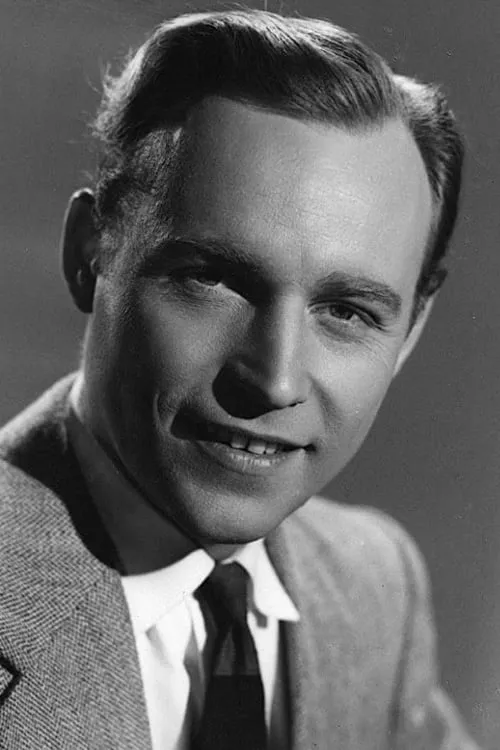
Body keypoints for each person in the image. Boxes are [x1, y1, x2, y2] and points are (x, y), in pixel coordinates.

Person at [0, 9, 478, 750]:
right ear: (91, 254)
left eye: (347, 312)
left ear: (410, 331)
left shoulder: (374, 587)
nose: (275, 381)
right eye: (214, 279)